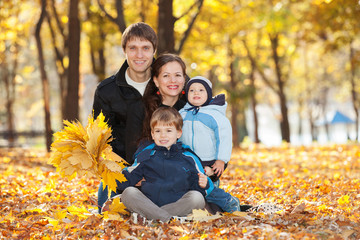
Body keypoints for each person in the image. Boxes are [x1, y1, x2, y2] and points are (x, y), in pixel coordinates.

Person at [92, 22, 158, 211]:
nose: (139, 55)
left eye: (146, 48)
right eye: (133, 48)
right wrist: (124, 171)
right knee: (107, 213)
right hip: (121, 169)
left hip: (165, 167)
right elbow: (100, 140)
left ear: (154, 50)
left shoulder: (170, 82)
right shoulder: (107, 90)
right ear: (124, 50)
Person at [117, 107, 210, 222]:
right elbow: (126, 181)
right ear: (152, 134)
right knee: (128, 193)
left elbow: (199, 189)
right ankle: (167, 219)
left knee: (197, 198)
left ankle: (155, 218)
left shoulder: (188, 158)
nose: (163, 135)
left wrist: (201, 184)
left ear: (179, 133)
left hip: (177, 205)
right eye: (158, 131)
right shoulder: (146, 156)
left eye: (168, 131)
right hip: (149, 204)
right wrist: (116, 174)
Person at [179, 76, 252, 213]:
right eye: (192, 90)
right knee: (195, 191)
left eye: (201, 90)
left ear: (208, 94)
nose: (196, 93)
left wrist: (221, 160)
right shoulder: (182, 114)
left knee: (209, 190)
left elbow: (224, 138)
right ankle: (211, 209)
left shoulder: (215, 115)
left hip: (209, 162)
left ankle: (229, 201)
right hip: (188, 162)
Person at [141, 53, 187, 141]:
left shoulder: (190, 110)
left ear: (184, 79)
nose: (173, 80)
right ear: (156, 81)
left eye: (177, 75)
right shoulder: (142, 109)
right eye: (166, 76)